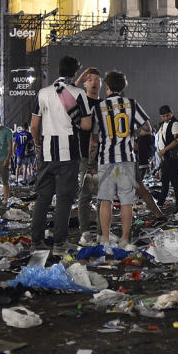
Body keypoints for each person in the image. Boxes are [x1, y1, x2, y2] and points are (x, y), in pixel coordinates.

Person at [29, 56, 92, 255]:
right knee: (64, 199)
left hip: (47, 152)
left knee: (43, 198)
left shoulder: (43, 93)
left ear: (58, 69)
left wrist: (39, 144)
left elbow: (34, 126)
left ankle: (37, 240)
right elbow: (87, 125)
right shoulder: (79, 93)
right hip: (69, 152)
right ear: (75, 72)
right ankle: (59, 243)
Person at [89, 71, 149, 249]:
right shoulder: (132, 104)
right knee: (126, 200)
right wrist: (132, 134)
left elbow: (93, 138)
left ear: (107, 87)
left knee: (105, 200)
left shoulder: (99, 107)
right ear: (123, 88)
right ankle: (124, 239)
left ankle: (106, 240)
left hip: (106, 159)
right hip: (126, 159)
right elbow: (146, 127)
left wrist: (91, 161)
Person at [76, 69, 103, 244]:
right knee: (85, 194)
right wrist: (83, 74)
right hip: (85, 155)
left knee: (103, 195)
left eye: (97, 80)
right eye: (90, 79)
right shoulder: (81, 101)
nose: (93, 82)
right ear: (84, 83)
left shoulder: (104, 104)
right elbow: (70, 88)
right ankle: (85, 231)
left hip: (103, 155)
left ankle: (102, 231)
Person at [155, 105, 178, 212]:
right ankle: (161, 203)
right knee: (165, 181)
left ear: (172, 113)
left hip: (172, 157)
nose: (166, 118)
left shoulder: (175, 124)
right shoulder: (163, 125)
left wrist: (164, 150)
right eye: (163, 116)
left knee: (174, 181)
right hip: (165, 157)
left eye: (168, 115)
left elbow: (177, 140)